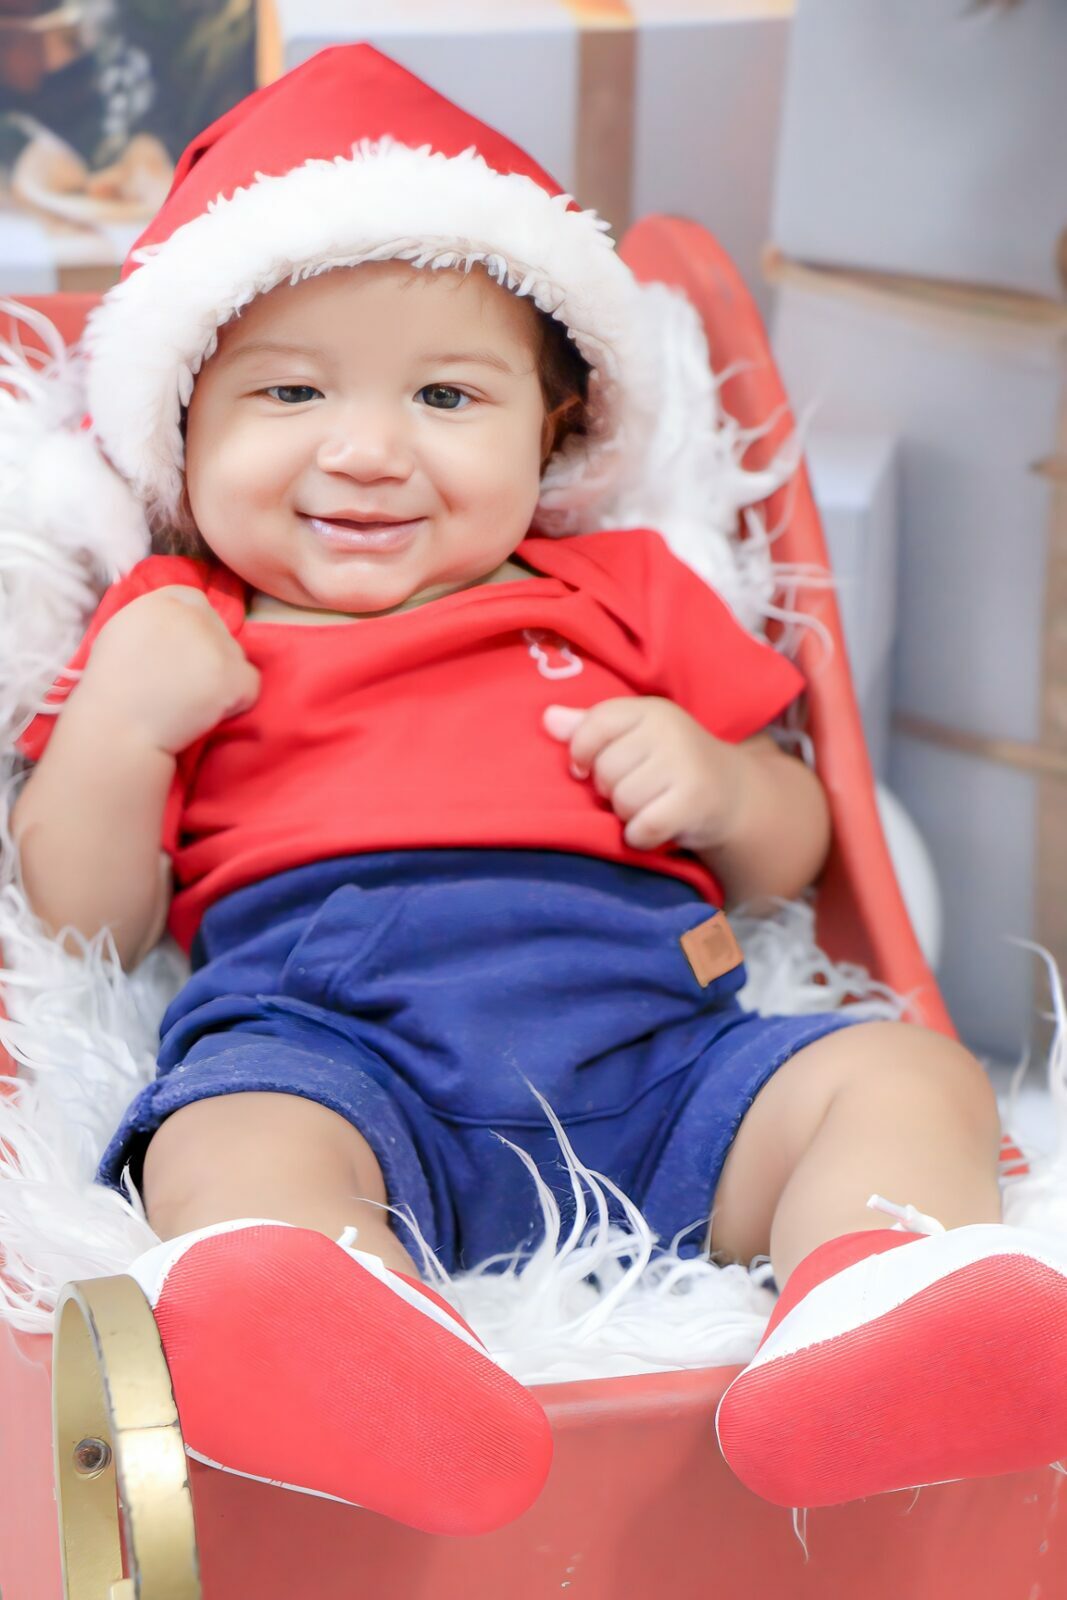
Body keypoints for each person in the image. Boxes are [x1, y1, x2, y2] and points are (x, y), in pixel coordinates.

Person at [9, 43, 1064, 1535]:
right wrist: (122, 725)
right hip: (335, 1057)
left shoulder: (616, 593)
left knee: (905, 1079)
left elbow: (797, 850)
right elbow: (81, 921)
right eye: (290, 390)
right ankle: (334, 1335)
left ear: (553, 428)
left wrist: (718, 784)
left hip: (663, 1060)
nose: (367, 451)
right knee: (226, 1143)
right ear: (184, 423)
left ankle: (876, 1315)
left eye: (446, 394)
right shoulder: (183, 624)